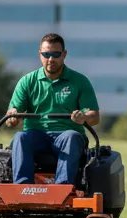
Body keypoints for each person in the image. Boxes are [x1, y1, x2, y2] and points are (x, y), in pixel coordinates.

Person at [5, 33, 100, 184]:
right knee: (20, 138)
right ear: (40, 54)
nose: (50, 59)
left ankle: (62, 189)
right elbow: (10, 117)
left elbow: (94, 117)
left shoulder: (80, 81)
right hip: (35, 134)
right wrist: (13, 117)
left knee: (71, 137)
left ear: (64, 54)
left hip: (66, 134)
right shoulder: (27, 82)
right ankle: (22, 188)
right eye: (46, 54)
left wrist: (84, 117)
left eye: (55, 54)